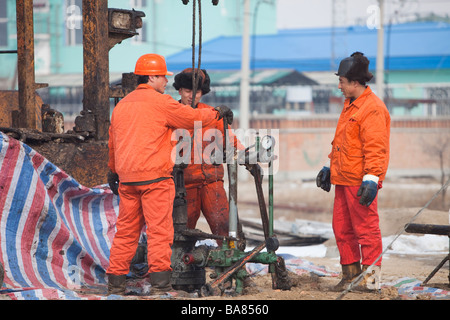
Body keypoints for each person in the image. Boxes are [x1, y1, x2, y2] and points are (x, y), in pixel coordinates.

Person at [106, 54, 233, 295]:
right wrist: (217, 113)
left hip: (128, 180)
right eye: (162, 76)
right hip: (155, 179)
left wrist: (113, 170)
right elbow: (192, 117)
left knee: (125, 233)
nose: (166, 81)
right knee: (159, 233)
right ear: (151, 76)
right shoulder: (161, 103)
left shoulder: (122, 105)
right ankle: (161, 287)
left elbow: (113, 142)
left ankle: (115, 285)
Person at [316, 52, 390, 291]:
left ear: (355, 82)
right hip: (343, 178)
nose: (339, 86)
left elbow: (376, 148)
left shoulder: (373, 109)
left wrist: (371, 178)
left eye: (342, 82)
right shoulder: (350, 105)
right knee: (342, 228)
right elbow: (343, 142)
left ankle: (371, 282)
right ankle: (350, 276)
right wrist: (330, 166)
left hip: (359, 181)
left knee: (366, 231)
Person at [172, 68, 243, 245]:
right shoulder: (172, 115)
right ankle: (181, 268)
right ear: (179, 90)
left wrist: (245, 154)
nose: (192, 96)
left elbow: (231, 141)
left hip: (212, 183)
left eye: (197, 92)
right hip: (183, 187)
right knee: (181, 233)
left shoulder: (213, 115)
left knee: (226, 228)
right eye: (188, 91)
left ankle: (232, 265)